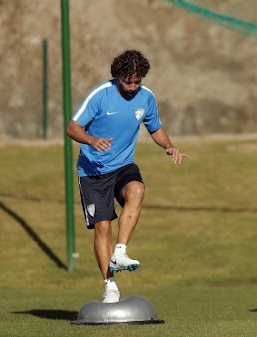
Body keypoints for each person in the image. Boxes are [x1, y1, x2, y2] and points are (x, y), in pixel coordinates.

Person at [67, 50, 187, 303]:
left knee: (137, 190)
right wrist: (91, 139)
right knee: (103, 227)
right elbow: (72, 127)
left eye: (137, 81)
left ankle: (120, 252)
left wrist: (169, 146)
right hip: (93, 171)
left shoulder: (146, 97)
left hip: (122, 165)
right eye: (128, 81)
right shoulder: (101, 96)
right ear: (117, 76)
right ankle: (109, 284)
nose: (133, 86)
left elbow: (155, 127)